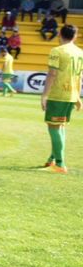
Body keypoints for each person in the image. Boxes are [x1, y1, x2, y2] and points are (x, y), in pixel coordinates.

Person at [39, 24, 83, 173]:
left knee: (54, 127)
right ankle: (52, 160)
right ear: (75, 36)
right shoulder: (80, 52)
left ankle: (60, 164)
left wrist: (45, 95)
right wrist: (77, 96)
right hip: (70, 94)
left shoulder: (57, 51)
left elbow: (52, 74)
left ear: (59, 34)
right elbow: (80, 76)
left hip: (58, 94)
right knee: (60, 127)